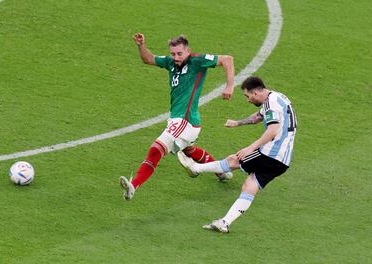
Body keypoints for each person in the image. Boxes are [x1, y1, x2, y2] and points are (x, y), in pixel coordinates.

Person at [119, 33, 235, 200]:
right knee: (190, 150)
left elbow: (227, 59)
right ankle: (222, 171)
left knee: (156, 149)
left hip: (185, 121)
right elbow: (148, 59)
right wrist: (141, 45)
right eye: (173, 54)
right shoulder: (170, 63)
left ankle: (133, 186)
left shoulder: (197, 61)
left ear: (188, 51)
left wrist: (229, 86)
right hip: (182, 120)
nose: (176, 57)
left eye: (180, 53)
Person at [177, 76, 297, 233]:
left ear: (255, 92)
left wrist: (250, 148)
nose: (248, 100)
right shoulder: (278, 97)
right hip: (283, 161)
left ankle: (196, 168)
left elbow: (272, 130)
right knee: (250, 186)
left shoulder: (271, 104)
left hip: (271, 154)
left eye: (248, 96)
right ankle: (225, 223)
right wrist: (237, 123)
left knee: (234, 160)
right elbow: (258, 117)